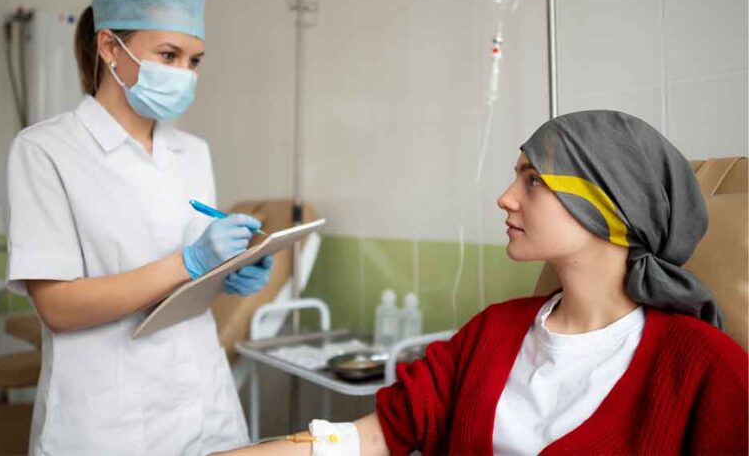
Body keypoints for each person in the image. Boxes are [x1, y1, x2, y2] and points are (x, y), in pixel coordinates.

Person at [221, 110, 748, 455]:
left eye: (533, 180)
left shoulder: (705, 368)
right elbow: (372, 436)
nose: (506, 197)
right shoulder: (492, 333)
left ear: (607, 207)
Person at [5, 0, 271, 455]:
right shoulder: (46, 150)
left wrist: (226, 273)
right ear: (110, 47)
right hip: (105, 423)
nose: (183, 74)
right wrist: (189, 261)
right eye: (168, 54)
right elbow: (58, 308)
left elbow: (183, 290)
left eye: (194, 61)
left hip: (203, 405)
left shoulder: (193, 152)